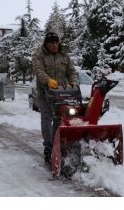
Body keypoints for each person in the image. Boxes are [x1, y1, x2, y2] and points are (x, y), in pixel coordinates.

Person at [32, 32, 78, 164]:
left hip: (61, 93)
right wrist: (48, 80)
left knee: (60, 118)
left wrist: (73, 82)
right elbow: (38, 70)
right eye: (51, 43)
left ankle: (58, 142)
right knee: (46, 119)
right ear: (46, 44)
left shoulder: (64, 55)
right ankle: (48, 146)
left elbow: (71, 71)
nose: (54, 45)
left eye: (56, 42)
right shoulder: (39, 55)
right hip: (45, 93)